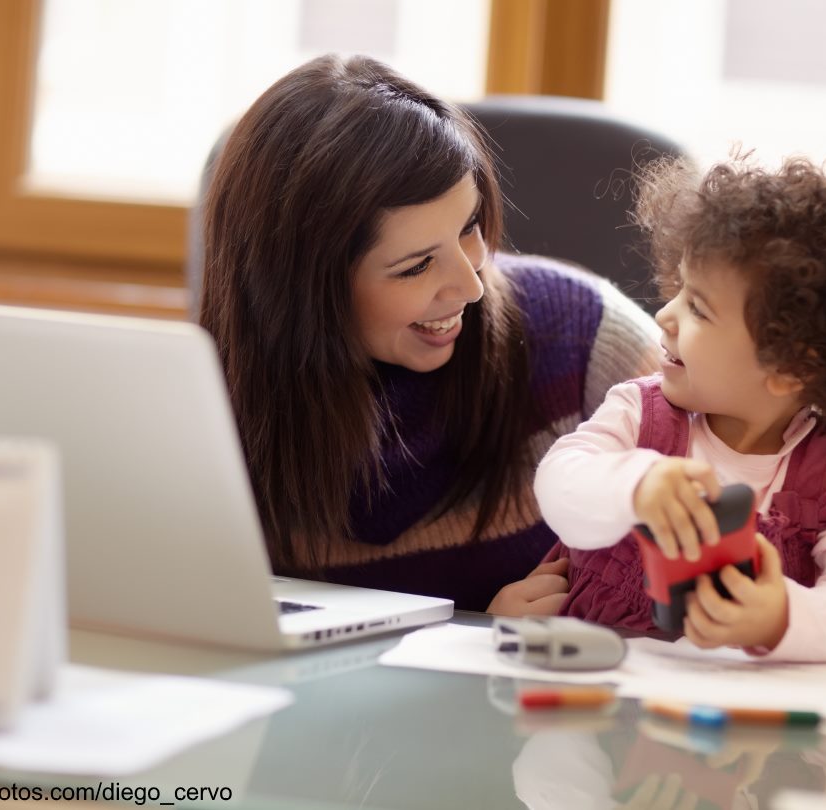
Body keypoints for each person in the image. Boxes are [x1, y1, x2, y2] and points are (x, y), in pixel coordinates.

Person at [198, 54, 660, 613]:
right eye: (416, 266)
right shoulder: (205, 406)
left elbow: (749, 526)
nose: (471, 286)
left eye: (470, 227)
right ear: (300, 290)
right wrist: (473, 638)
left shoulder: (585, 336)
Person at [534, 155, 826, 660]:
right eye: (679, 291)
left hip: (741, 724)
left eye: (698, 307)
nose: (665, 315)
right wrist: (635, 485)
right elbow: (558, 483)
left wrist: (781, 616)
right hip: (601, 701)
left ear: (790, 368)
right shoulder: (638, 413)